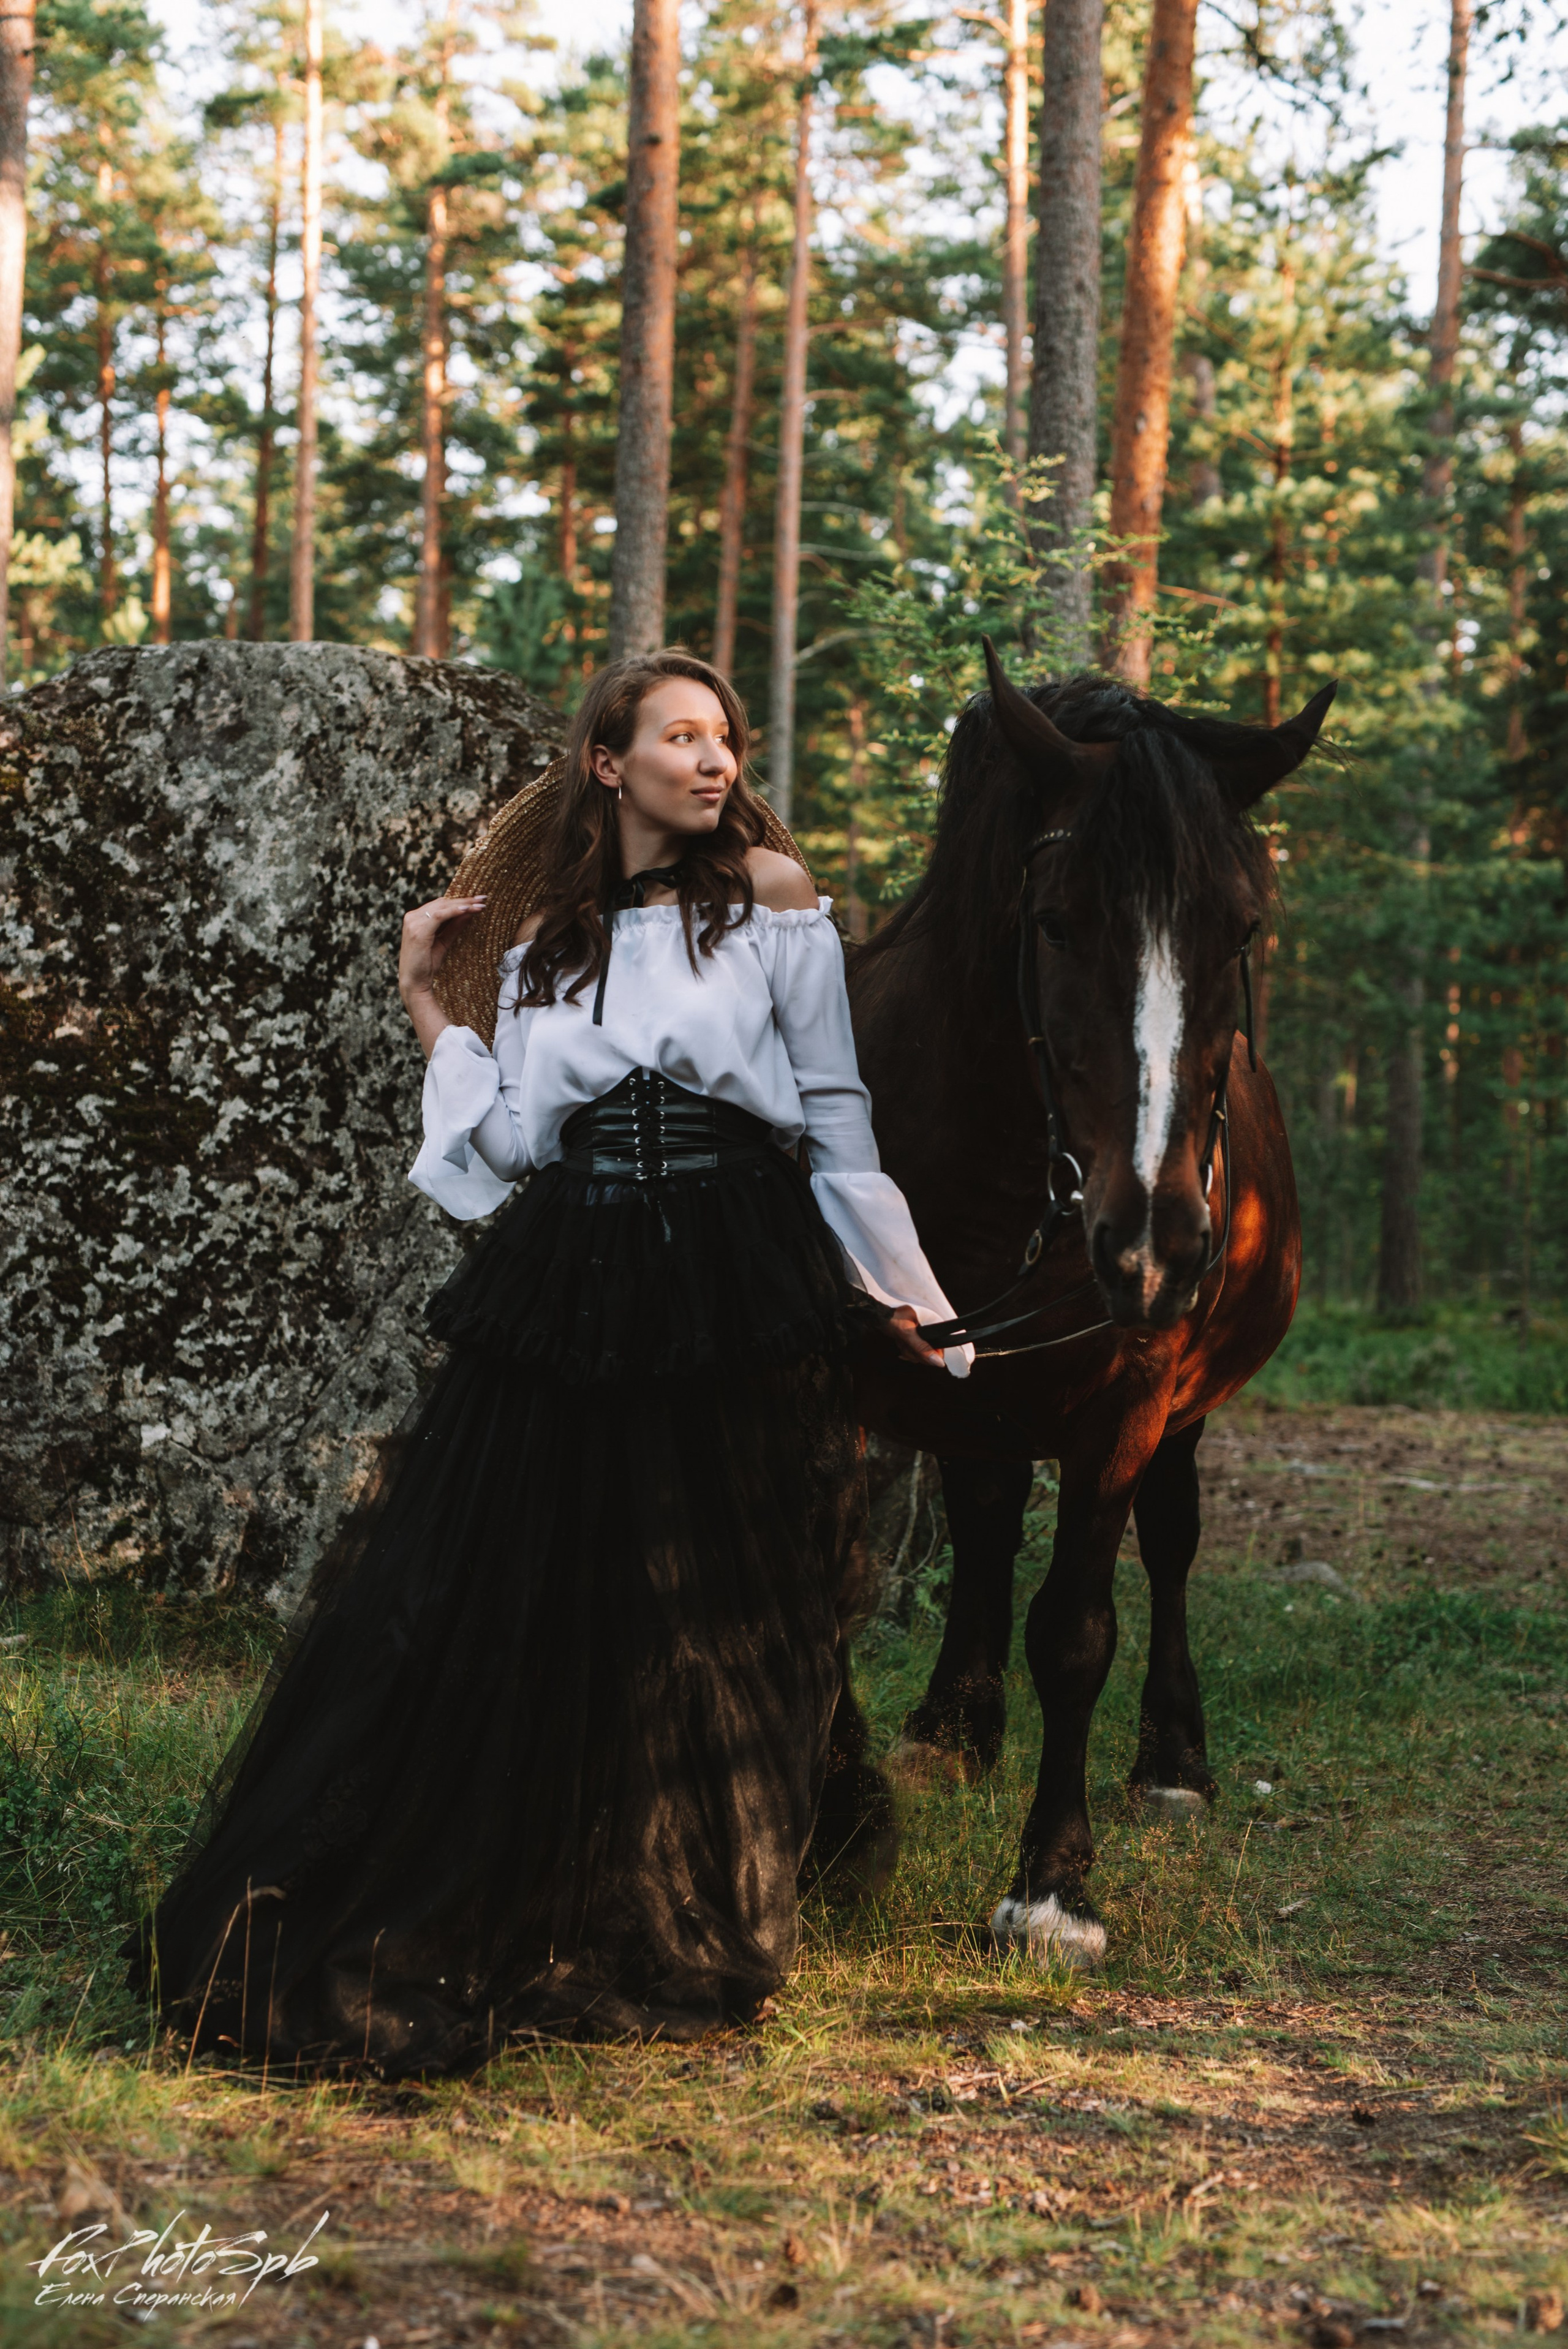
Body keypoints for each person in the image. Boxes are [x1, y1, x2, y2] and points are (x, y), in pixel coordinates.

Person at [126, 649, 968, 2075]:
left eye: (725, 739)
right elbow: (513, 1147)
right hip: (575, 1269)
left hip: (732, 1262)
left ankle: (705, 1929)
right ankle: (551, 1898)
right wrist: (426, 1004)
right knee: (550, 1588)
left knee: (723, 1597)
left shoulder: (773, 903)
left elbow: (831, 1109)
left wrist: (901, 1291)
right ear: (606, 760)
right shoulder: (547, 947)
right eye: (681, 737)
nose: (714, 762)